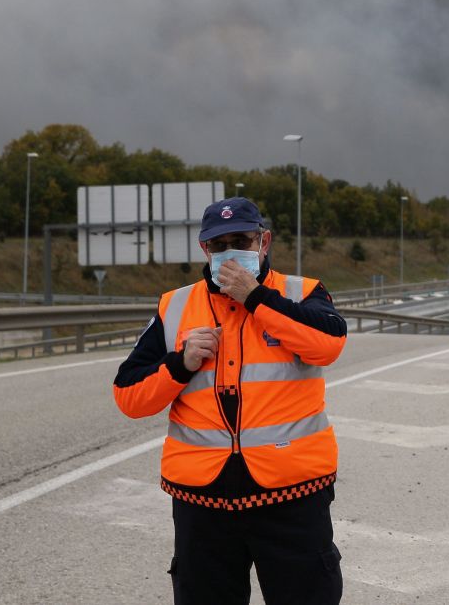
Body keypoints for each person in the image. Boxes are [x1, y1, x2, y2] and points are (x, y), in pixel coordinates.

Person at [113, 197, 347, 605]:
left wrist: (256, 298)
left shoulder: (301, 291)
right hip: (202, 500)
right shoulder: (175, 306)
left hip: (291, 493)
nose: (228, 252)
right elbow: (129, 397)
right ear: (205, 249)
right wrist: (180, 365)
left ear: (264, 241)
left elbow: (328, 343)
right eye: (218, 245)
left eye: (241, 240)